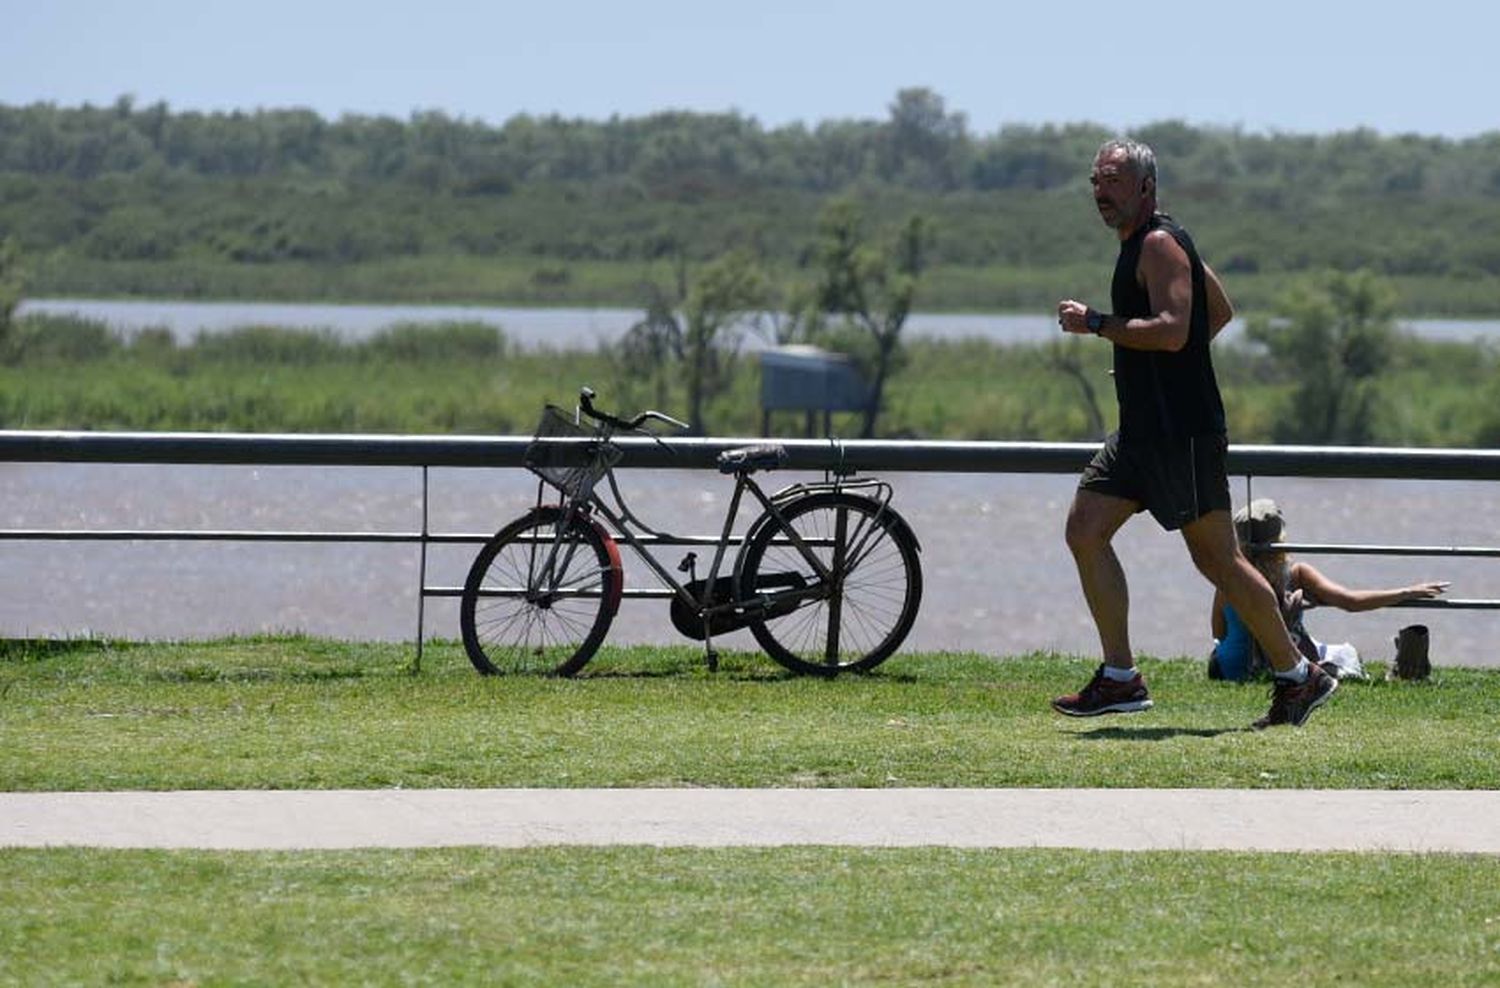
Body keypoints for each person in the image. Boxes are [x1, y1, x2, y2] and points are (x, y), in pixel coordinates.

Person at [1050, 138, 1339, 729]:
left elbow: (1177, 328)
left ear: (1146, 188)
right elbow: (1220, 311)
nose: (1100, 192)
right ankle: (1120, 677)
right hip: (1140, 435)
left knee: (1221, 562)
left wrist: (1100, 325)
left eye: (1112, 181)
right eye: (1095, 181)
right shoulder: (1153, 242)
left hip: (1181, 434)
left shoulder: (1157, 244)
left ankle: (1299, 675)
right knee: (1085, 529)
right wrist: (1150, 359)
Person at [1209, 498, 1449, 681]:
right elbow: (1350, 601)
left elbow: (1219, 632)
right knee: (1346, 653)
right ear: (1280, 538)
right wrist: (1407, 591)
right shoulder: (1296, 574)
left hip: (1233, 669)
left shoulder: (1230, 577)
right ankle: (1406, 668)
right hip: (1281, 664)